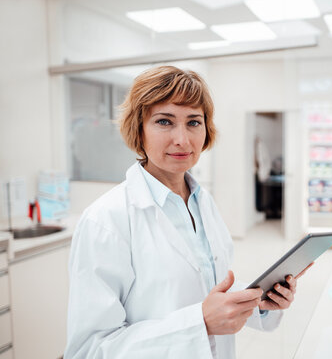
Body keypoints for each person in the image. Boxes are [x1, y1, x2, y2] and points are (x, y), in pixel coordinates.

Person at [64, 66, 310, 358]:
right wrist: (199, 324)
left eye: (194, 122)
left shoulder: (201, 202)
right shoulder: (105, 220)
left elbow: (209, 286)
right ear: (138, 130)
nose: (182, 139)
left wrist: (260, 300)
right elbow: (90, 349)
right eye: (164, 121)